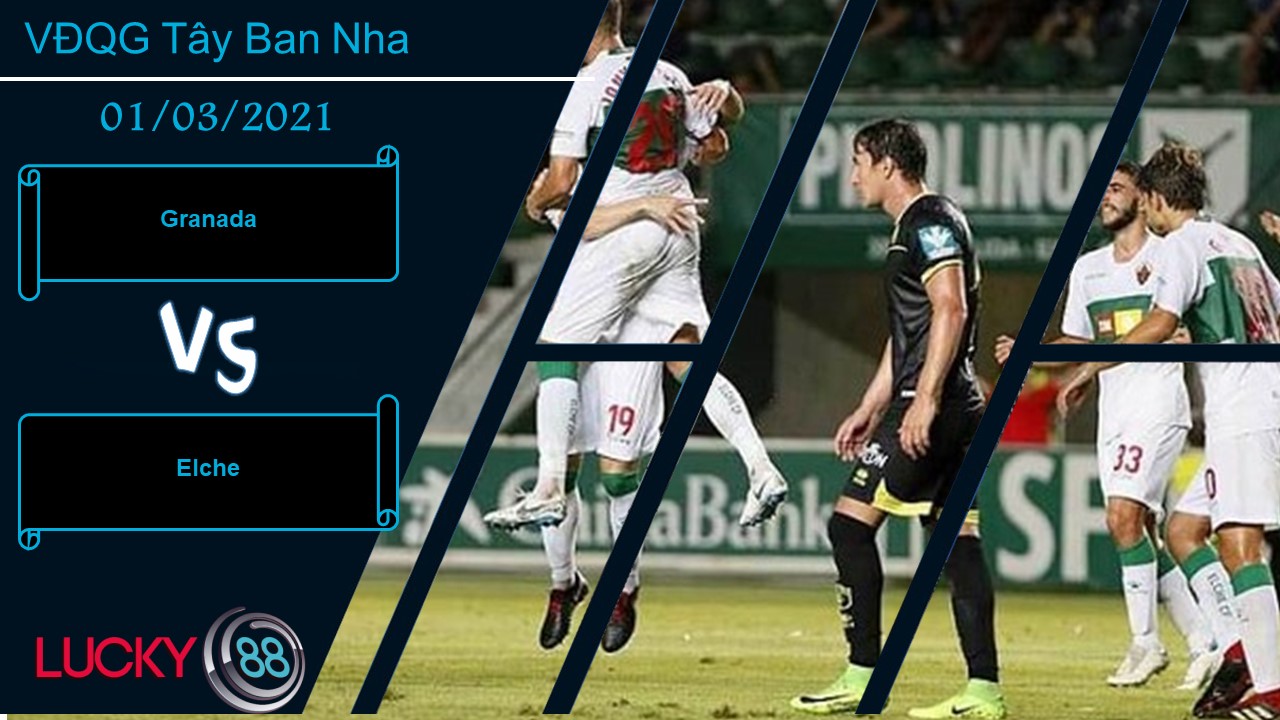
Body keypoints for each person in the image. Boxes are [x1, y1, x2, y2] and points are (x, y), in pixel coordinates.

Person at [790, 119, 1005, 719]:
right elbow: (912, 329)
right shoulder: (920, 224)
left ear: (887, 165)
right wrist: (870, 405)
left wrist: (925, 398)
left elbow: (950, 308)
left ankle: (862, 675)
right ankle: (984, 690)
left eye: (858, 163)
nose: (853, 176)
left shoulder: (928, 222)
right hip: (944, 399)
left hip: (936, 403)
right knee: (956, 543)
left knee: (849, 527)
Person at [1058, 142, 1280, 718]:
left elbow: (1158, 323)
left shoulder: (1180, 246)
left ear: (1154, 199)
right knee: (1183, 530)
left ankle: (1272, 690)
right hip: (1257, 404)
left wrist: (1093, 365)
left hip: (1246, 412)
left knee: (1240, 547)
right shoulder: (1240, 244)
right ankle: (1239, 655)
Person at [997, 162, 1217, 690]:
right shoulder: (1088, 269)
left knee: (1122, 517)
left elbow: (1182, 323)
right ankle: (1204, 642)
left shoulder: (1170, 255)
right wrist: (1042, 356)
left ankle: (1146, 643)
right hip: (1114, 411)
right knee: (1137, 530)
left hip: (1158, 403)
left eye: (1116, 188)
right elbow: (1081, 340)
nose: (1106, 198)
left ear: (1143, 198)